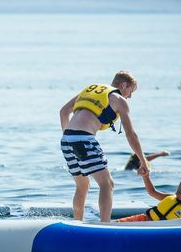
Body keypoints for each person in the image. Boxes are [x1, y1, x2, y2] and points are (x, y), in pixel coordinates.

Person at [59, 70, 149, 222]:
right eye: (130, 91)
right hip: (83, 138)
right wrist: (143, 160)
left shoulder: (90, 89)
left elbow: (63, 112)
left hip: (66, 139)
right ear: (124, 85)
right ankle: (105, 226)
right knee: (107, 184)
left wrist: (70, 138)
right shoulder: (119, 100)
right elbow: (131, 135)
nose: (130, 96)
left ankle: (77, 224)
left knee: (83, 186)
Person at [116, 175, 181, 222]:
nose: (176, 193)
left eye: (180, 192)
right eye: (177, 191)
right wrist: (146, 177)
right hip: (144, 218)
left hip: (160, 228)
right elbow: (152, 192)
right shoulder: (171, 197)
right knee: (117, 223)